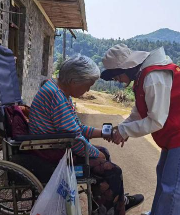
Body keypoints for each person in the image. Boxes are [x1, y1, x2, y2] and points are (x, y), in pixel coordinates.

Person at [29, 54, 144, 215]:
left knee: (103, 154)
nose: (88, 90)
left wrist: (106, 133)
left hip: (56, 145)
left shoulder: (59, 91)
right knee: (112, 170)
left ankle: (106, 204)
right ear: (74, 81)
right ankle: (113, 209)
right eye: (88, 85)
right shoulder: (57, 97)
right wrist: (95, 153)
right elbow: (75, 139)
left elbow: (77, 128)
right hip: (52, 152)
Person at [100, 44, 180, 215]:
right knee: (164, 174)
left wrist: (125, 131)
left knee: (173, 186)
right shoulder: (142, 75)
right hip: (175, 127)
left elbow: (156, 121)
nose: (118, 81)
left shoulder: (153, 77)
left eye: (116, 76)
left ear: (126, 68)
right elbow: (139, 111)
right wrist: (122, 128)